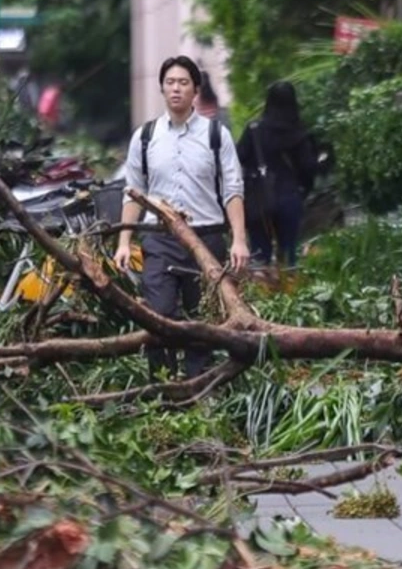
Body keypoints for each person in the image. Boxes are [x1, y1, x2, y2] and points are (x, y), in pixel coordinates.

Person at [113, 56, 250, 380]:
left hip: (206, 238)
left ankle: (196, 385)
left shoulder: (217, 136)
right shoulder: (145, 137)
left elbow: (233, 188)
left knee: (200, 318)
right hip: (159, 239)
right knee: (158, 314)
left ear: (196, 90)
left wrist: (240, 240)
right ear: (162, 88)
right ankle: (163, 387)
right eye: (171, 82)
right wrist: (124, 242)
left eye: (183, 82)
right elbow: (133, 191)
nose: (176, 88)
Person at [236, 81, 317, 267]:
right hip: (289, 197)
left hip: (259, 199)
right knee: (289, 254)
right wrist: (303, 190)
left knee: (259, 254)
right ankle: (288, 290)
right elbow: (308, 167)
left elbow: (238, 158)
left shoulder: (254, 130)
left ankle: (261, 291)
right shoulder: (300, 133)